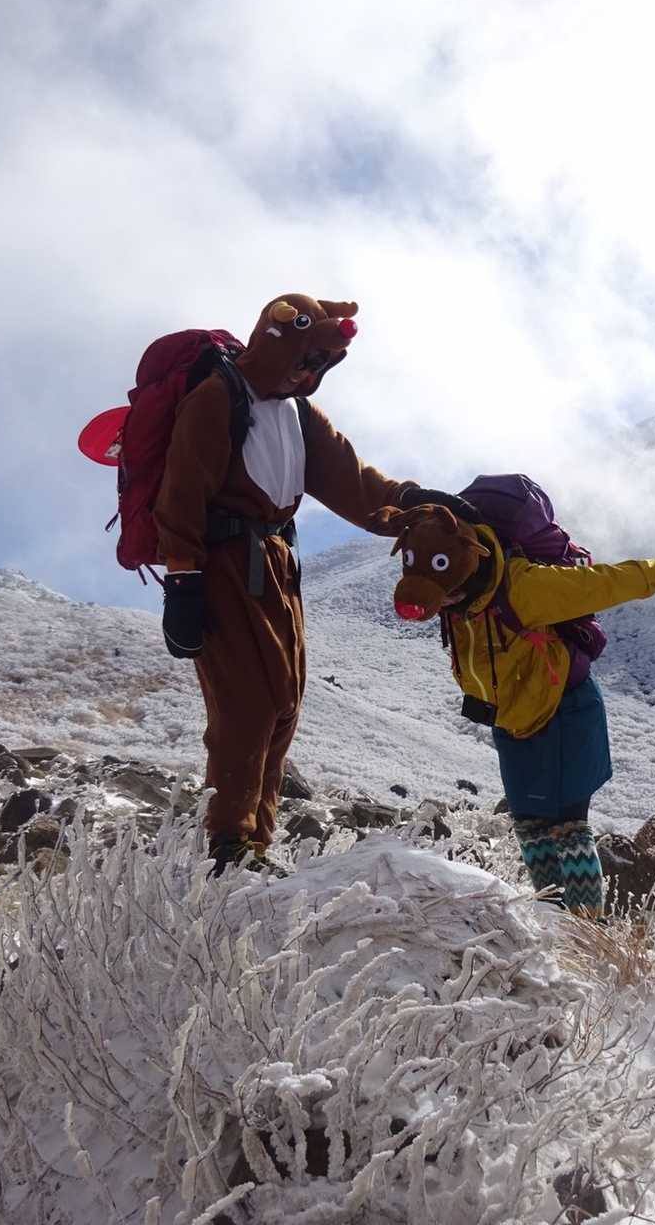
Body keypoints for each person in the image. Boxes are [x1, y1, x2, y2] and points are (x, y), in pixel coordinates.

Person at [153, 292, 468, 874]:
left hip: (277, 563)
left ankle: (254, 844)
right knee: (246, 704)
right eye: (305, 358)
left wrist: (410, 502)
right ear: (278, 343)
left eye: (320, 364)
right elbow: (182, 494)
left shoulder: (301, 414)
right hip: (224, 566)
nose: (309, 372)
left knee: (284, 702)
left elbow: (352, 481)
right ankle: (228, 846)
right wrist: (183, 582)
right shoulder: (216, 399)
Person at [370, 485, 655, 914]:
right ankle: (551, 918)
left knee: (568, 829)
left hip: (564, 711)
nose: (444, 603)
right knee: (529, 829)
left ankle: (582, 930)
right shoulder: (454, 593)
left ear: (471, 559)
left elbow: (611, 582)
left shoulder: (524, 588)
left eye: (448, 593)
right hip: (512, 720)